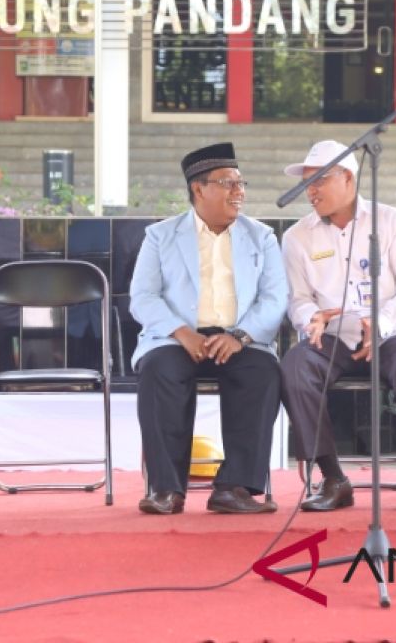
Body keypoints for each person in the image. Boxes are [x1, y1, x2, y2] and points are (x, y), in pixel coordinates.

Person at [280, 140, 396, 512]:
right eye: (308, 183)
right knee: (294, 367)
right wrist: (312, 319)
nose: (312, 191)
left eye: (320, 181)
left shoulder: (394, 222)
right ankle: (333, 477)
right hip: (333, 338)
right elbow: (298, 298)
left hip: (390, 336)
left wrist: (380, 322)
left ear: (350, 179)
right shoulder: (296, 237)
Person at [130, 142, 287, 515]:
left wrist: (240, 336)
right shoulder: (160, 236)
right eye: (228, 184)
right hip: (177, 337)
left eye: (241, 183)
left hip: (240, 336)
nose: (240, 192)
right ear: (199, 189)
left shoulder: (261, 236)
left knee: (263, 372)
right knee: (159, 371)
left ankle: (235, 487)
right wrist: (181, 332)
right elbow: (143, 296)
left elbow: (274, 298)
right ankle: (167, 489)